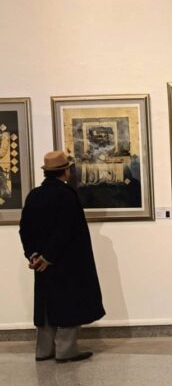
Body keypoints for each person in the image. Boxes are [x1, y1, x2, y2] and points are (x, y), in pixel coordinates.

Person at [19, 151, 105, 363]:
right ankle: (66, 351)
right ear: (65, 171)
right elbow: (66, 230)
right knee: (69, 302)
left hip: (41, 263)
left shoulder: (34, 195)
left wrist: (34, 255)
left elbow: (25, 229)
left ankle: (43, 350)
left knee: (46, 306)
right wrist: (49, 256)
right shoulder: (67, 195)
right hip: (66, 261)